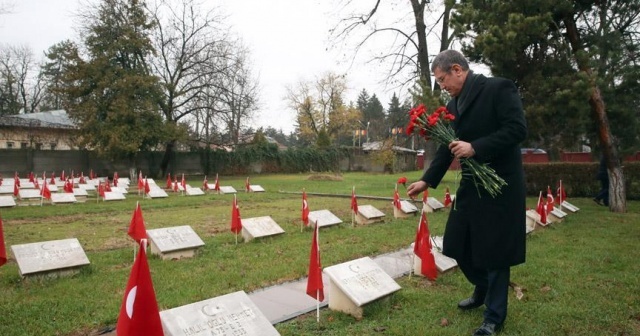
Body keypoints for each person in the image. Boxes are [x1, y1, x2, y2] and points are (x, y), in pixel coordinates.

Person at [407, 50, 527, 336]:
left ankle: (493, 317)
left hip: (501, 183)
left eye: (442, 79)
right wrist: (427, 181)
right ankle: (483, 286)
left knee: (496, 252)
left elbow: (517, 129)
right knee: (455, 242)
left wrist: (476, 147)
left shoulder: (498, 87)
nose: (441, 86)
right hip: (473, 184)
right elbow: (448, 147)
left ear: (458, 69)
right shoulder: (454, 103)